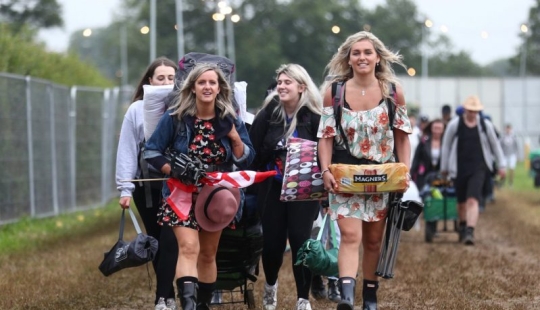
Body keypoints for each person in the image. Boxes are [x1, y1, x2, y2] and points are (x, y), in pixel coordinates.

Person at [143, 63, 255, 310]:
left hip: (215, 196)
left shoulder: (230, 119)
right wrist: (172, 170)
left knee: (207, 254)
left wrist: (235, 136)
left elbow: (247, 158)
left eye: (212, 83)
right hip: (181, 193)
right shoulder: (176, 118)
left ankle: (203, 304)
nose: (207, 87)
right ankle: (189, 306)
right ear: (192, 87)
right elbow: (151, 150)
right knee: (188, 247)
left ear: (219, 88)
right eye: (202, 82)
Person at [317, 31, 412, 310]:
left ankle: (369, 297)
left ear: (378, 57)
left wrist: (403, 172)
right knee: (350, 236)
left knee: (373, 241)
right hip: (346, 176)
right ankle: (347, 297)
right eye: (356, 52)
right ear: (348, 58)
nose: (362, 57)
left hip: (382, 178)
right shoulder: (333, 93)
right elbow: (325, 137)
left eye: (367, 52)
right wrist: (325, 172)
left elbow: (402, 136)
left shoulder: (393, 92)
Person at [248, 64, 322, 310]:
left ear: (301, 87)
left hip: (305, 192)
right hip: (272, 189)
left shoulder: (314, 117)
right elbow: (254, 150)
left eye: (287, 82)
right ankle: (270, 287)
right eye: (279, 81)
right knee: (272, 245)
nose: (281, 86)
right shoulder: (269, 113)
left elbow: (325, 153)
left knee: (302, 242)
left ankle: (303, 298)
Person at [115, 57, 179, 310]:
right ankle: (167, 294)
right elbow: (127, 150)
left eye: (171, 78)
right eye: (160, 78)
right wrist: (125, 188)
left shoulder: (185, 106)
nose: (166, 82)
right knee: (156, 239)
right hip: (147, 186)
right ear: (149, 81)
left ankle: (163, 297)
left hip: (176, 185)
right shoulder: (135, 110)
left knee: (170, 237)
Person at [440, 95, 505, 246]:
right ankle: (462, 225)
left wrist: (501, 165)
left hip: (479, 167)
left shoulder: (485, 125)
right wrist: (444, 168)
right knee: (461, 202)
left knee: (472, 199)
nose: (473, 113)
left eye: (475, 111)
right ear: (465, 110)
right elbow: (446, 146)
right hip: (459, 168)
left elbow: (495, 146)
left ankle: (470, 231)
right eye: (470, 110)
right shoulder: (455, 125)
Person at [310, 200, 341, 304]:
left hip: (338, 191)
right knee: (318, 231)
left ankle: (334, 279)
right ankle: (316, 274)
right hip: (317, 192)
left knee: (336, 233)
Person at [411, 119, 445, 192]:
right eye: (435, 128)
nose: (437, 131)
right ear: (431, 128)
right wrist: (411, 174)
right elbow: (416, 158)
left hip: (440, 176)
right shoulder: (424, 141)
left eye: (439, 129)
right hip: (424, 175)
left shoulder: (446, 143)